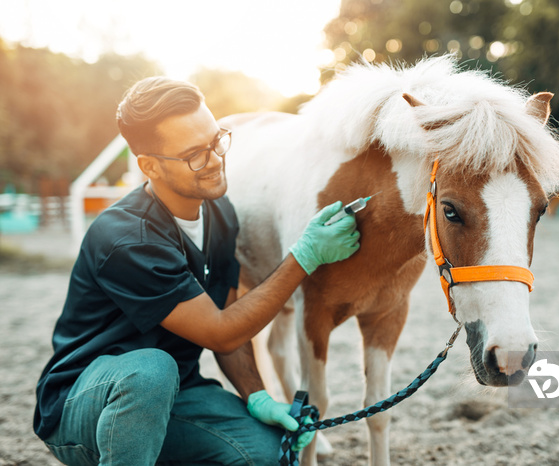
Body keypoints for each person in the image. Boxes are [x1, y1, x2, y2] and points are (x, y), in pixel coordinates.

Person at [33, 77, 360, 465]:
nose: (216, 160)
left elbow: (231, 317)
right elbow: (219, 332)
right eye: (194, 155)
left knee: (268, 455)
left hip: (176, 393)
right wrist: (304, 258)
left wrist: (256, 396)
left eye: (216, 140)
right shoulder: (127, 239)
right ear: (149, 166)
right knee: (152, 369)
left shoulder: (218, 213)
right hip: (85, 403)